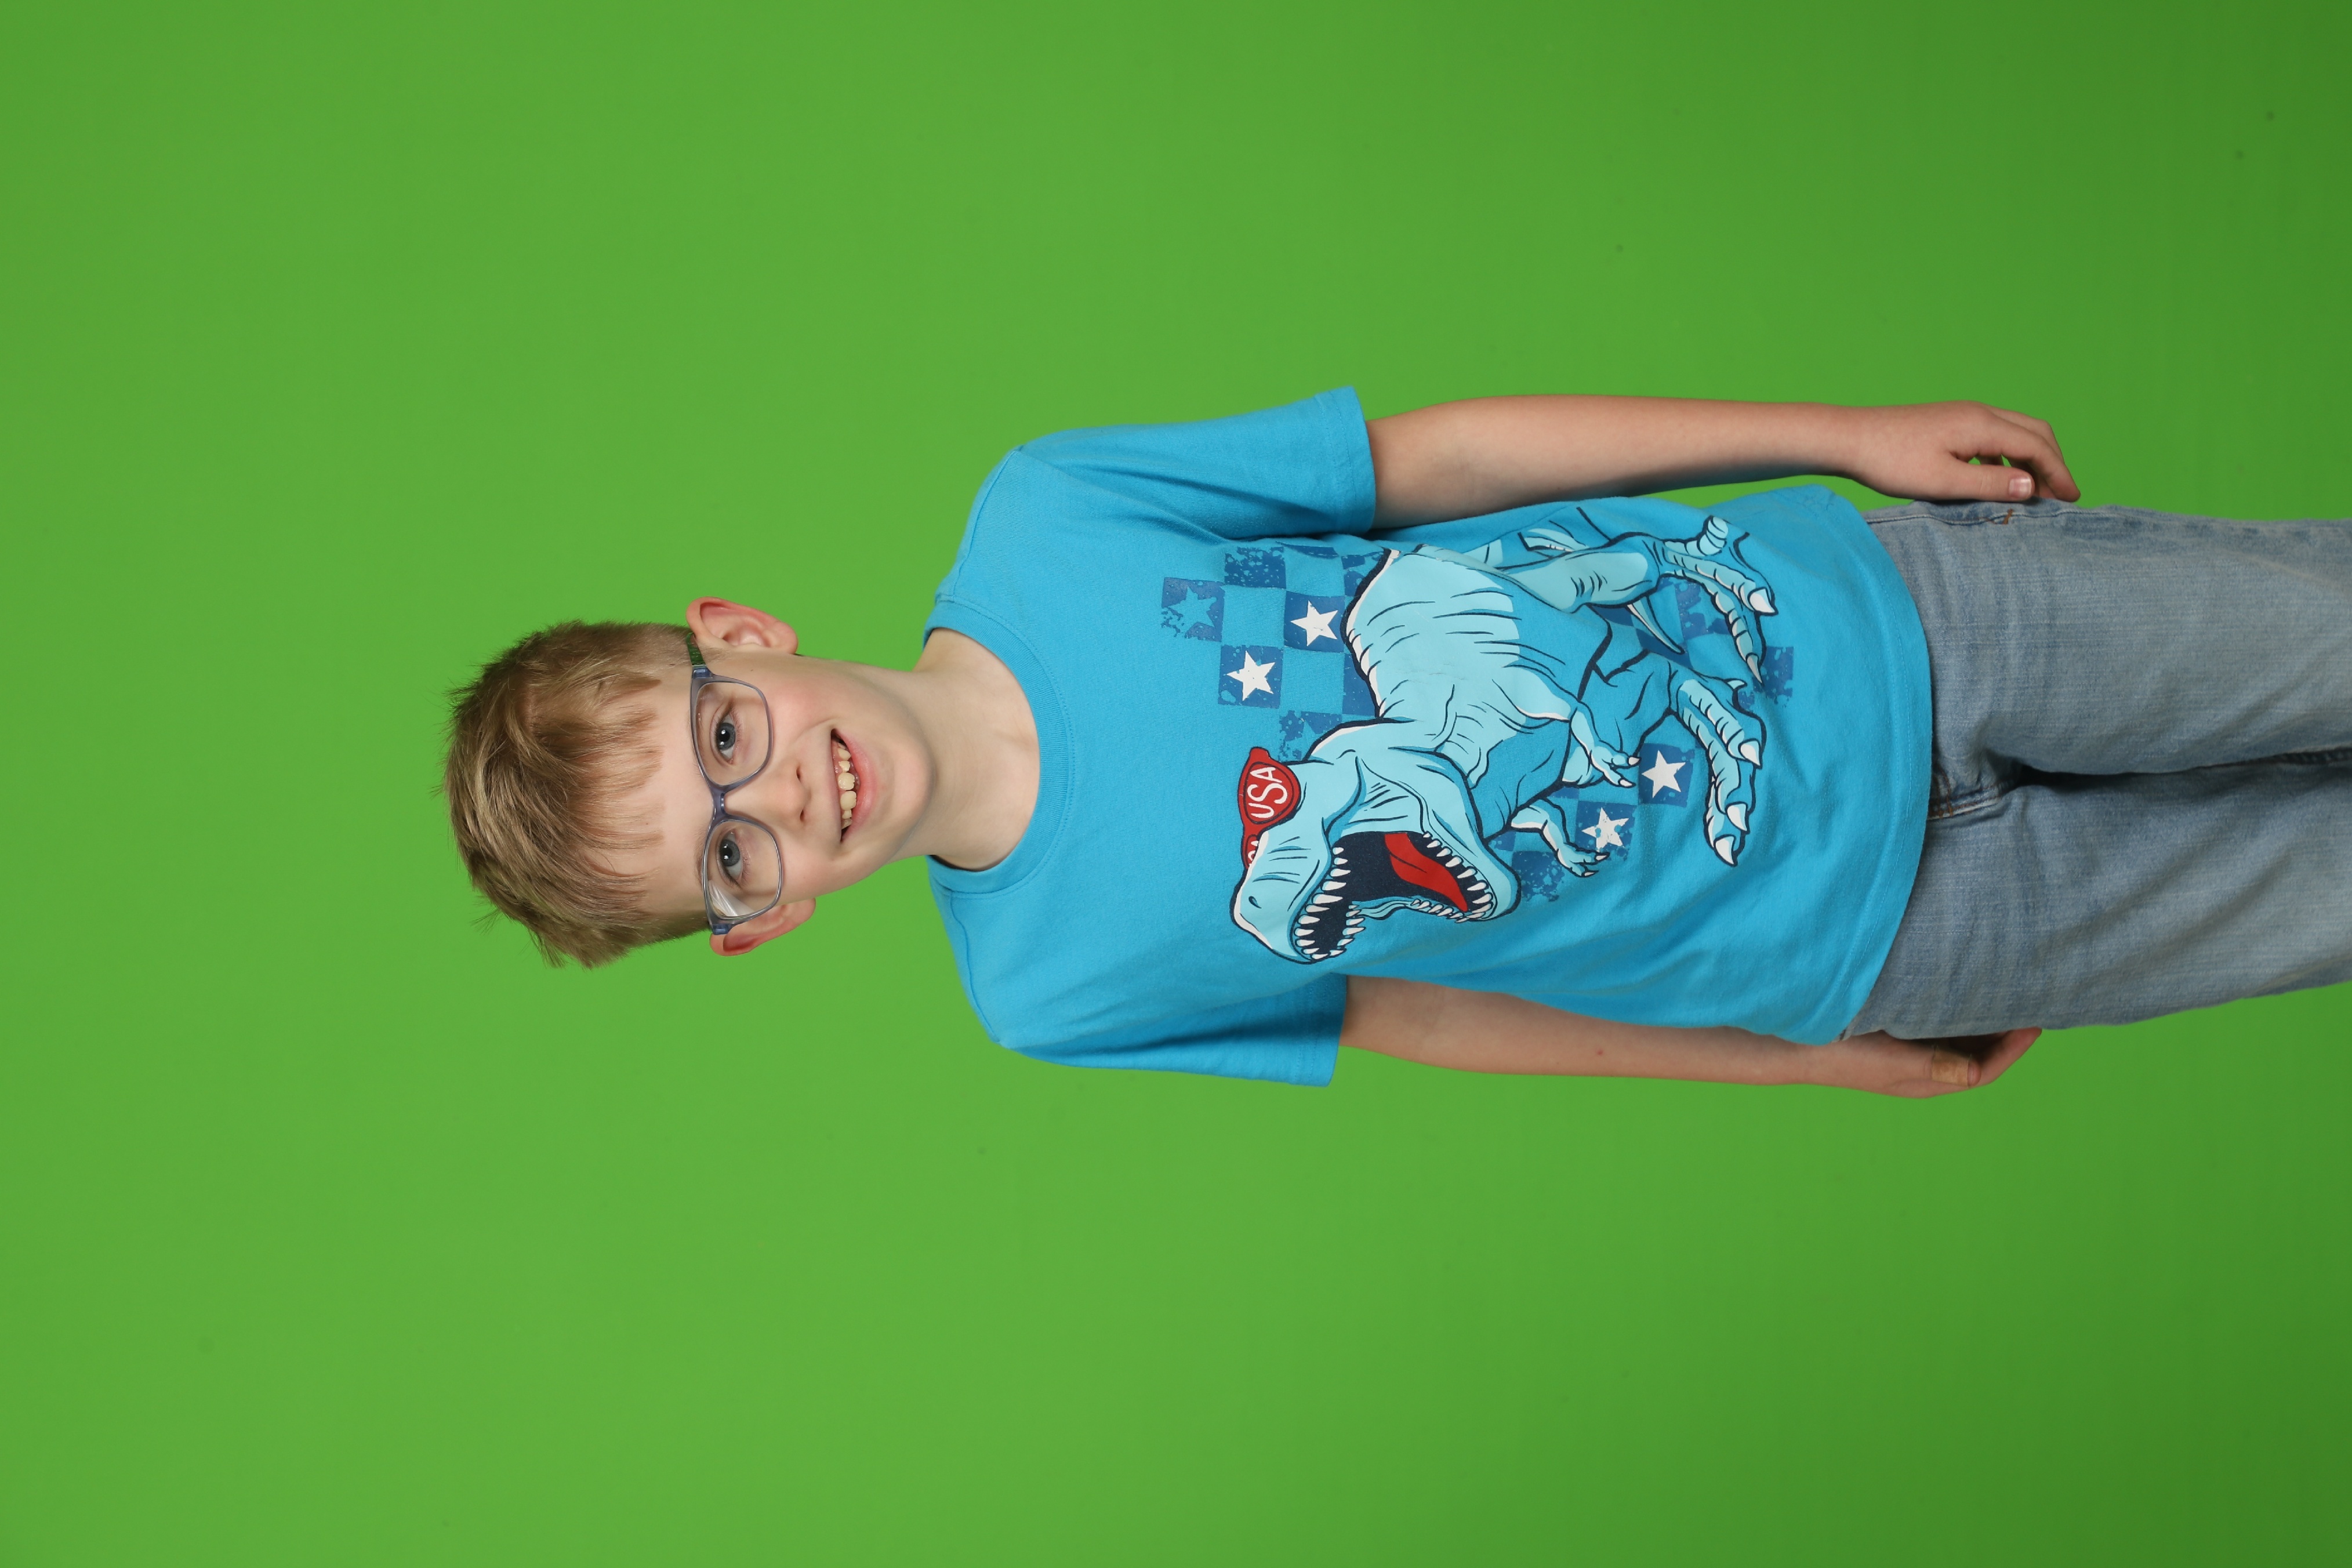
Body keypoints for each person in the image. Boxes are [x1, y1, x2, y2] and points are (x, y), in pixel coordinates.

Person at [443, 393, 2352, 1098]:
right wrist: (1797, 1061)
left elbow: (1437, 460)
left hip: (1896, 614)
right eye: (733, 852)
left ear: (741, 636)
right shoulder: (1048, 990)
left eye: (725, 735)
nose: (780, 791)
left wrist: (1833, 435)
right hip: (1880, 940)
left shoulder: (1051, 519)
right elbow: (1424, 1014)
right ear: (761, 919)